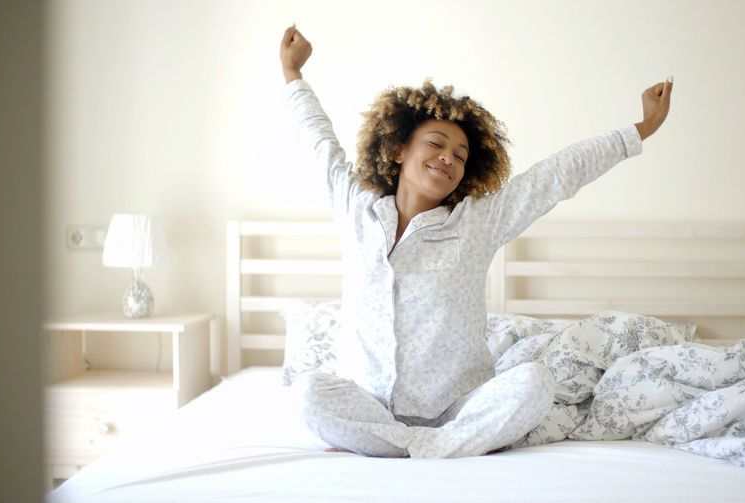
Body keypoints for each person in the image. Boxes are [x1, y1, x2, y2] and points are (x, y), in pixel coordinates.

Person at [280, 24, 672, 458]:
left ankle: (411, 446)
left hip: (458, 409)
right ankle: (432, 448)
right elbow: (317, 141)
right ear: (397, 151)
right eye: (436, 143)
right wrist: (292, 72)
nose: (449, 157)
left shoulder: (478, 222)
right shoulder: (355, 206)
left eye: (461, 155)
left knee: (534, 384)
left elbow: (557, 174)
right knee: (306, 393)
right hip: (368, 405)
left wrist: (640, 129)